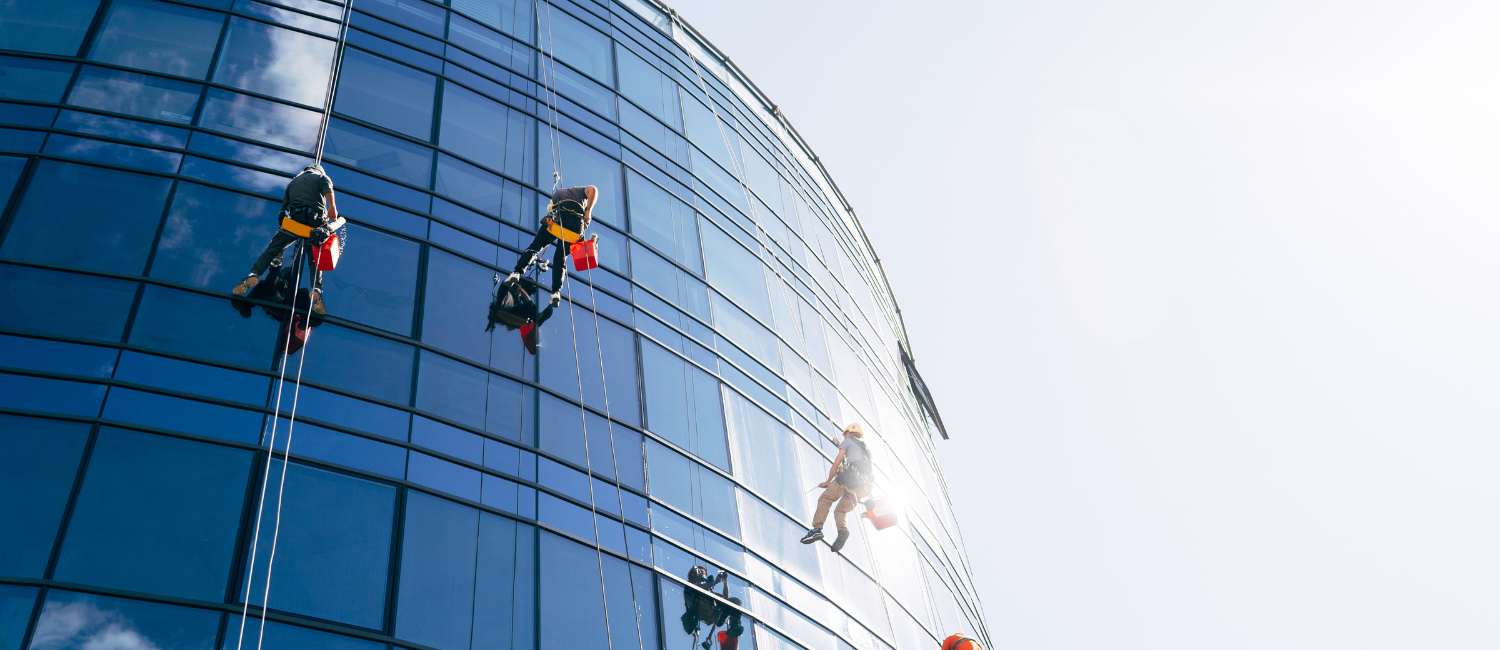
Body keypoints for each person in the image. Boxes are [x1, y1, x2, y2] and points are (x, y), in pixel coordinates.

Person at [232, 164, 340, 316]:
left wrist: (284, 231)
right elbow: (328, 190)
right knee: (315, 260)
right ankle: (316, 290)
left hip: (295, 221)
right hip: (314, 225)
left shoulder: (292, 183)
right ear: (318, 170)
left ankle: (254, 275)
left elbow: (282, 212)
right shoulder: (321, 177)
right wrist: (332, 207)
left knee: (273, 248)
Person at [503, 185, 598, 302]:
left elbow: (552, 212)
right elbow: (593, 189)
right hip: (574, 227)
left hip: (555, 222)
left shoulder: (557, 195)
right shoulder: (579, 192)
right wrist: (588, 211)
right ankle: (556, 292)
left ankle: (517, 272)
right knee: (560, 258)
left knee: (535, 247)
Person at [800, 423, 873, 552]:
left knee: (825, 499)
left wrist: (828, 481)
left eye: (845, 435)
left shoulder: (847, 441)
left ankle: (817, 529)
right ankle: (843, 531)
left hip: (848, 479)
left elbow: (837, 463)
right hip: (862, 488)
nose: (844, 437)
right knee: (840, 511)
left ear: (849, 433)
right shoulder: (866, 449)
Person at [679, 565, 745, 650]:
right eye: (700, 572)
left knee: (736, 602)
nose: (702, 575)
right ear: (693, 575)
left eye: (703, 573)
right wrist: (715, 582)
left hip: (715, 615)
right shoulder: (690, 586)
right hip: (702, 613)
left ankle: (734, 627)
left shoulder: (708, 590)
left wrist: (725, 582)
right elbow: (699, 588)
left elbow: (725, 598)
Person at [485, 278, 558, 354]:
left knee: (531, 313)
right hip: (504, 304)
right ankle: (537, 320)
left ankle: (536, 320)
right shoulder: (515, 293)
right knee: (532, 311)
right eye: (530, 292)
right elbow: (528, 303)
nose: (530, 295)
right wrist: (519, 289)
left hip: (506, 310)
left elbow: (512, 325)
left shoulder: (521, 304)